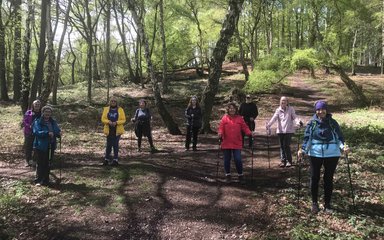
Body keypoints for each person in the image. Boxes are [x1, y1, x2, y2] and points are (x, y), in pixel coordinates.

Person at [298, 100, 350, 214]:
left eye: (322, 109)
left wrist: (344, 147)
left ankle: (327, 205)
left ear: (326, 110)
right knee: (314, 178)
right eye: (318, 109)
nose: (320, 111)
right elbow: (307, 139)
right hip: (315, 154)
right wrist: (303, 150)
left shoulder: (333, 123)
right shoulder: (312, 123)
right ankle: (314, 204)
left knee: (328, 179)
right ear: (315, 111)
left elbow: (339, 137)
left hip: (332, 154)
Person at [218, 102, 257, 184]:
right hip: (226, 142)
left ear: (236, 109)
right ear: (228, 110)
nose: (232, 109)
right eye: (230, 108)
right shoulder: (224, 118)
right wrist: (220, 133)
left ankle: (240, 175)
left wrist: (250, 133)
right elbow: (221, 128)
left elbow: (245, 128)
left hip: (237, 142)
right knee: (227, 160)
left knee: (238, 159)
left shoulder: (239, 118)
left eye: (233, 108)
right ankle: (228, 175)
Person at [266, 96, 302, 168]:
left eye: (284, 101)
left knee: (286, 145)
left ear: (287, 102)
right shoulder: (278, 110)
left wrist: (298, 122)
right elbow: (274, 118)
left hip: (289, 131)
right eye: (282, 101)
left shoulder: (291, 109)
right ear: (280, 102)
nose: (283, 102)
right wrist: (269, 125)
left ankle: (289, 161)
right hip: (280, 131)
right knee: (282, 146)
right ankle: (283, 161)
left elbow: (294, 117)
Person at [32, 105, 61, 186]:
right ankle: (38, 180)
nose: (47, 113)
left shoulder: (53, 121)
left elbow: (56, 130)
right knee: (41, 163)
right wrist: (47, 133)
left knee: (48, 163)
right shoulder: (38, 121)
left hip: (51, 145)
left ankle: (46, 180)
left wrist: (58, 133)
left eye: (49, 112)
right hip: (41, 146)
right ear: (42, 112)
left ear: (51, 113)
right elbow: (36, 132)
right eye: (46, 112)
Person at [101, 97, 126, 166]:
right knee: (108, 144)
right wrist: (108, 122)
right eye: (112, 101)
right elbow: (103, 119)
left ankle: (115, 159)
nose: (113, 102)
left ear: (116, 102)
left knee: (115, 144)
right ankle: (106, 159)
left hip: (117, 129)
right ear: (110, 102)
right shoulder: (106, 109)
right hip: (109, 129)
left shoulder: (120, 110)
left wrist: (116, 122)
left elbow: (124, 120)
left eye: (114, 101)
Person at [23, 99, 42, 167]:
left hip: (38, 132)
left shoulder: (42, 113)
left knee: (37, 146)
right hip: (29, 131)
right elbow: (25, 121)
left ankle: (35, 160)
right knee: (28, 146)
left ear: (40, 106)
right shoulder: (28, 112)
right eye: (36, 104)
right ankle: (28, 160)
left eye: (38, 104)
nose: (37, 105)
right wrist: (29, 126)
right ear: (33, 105)